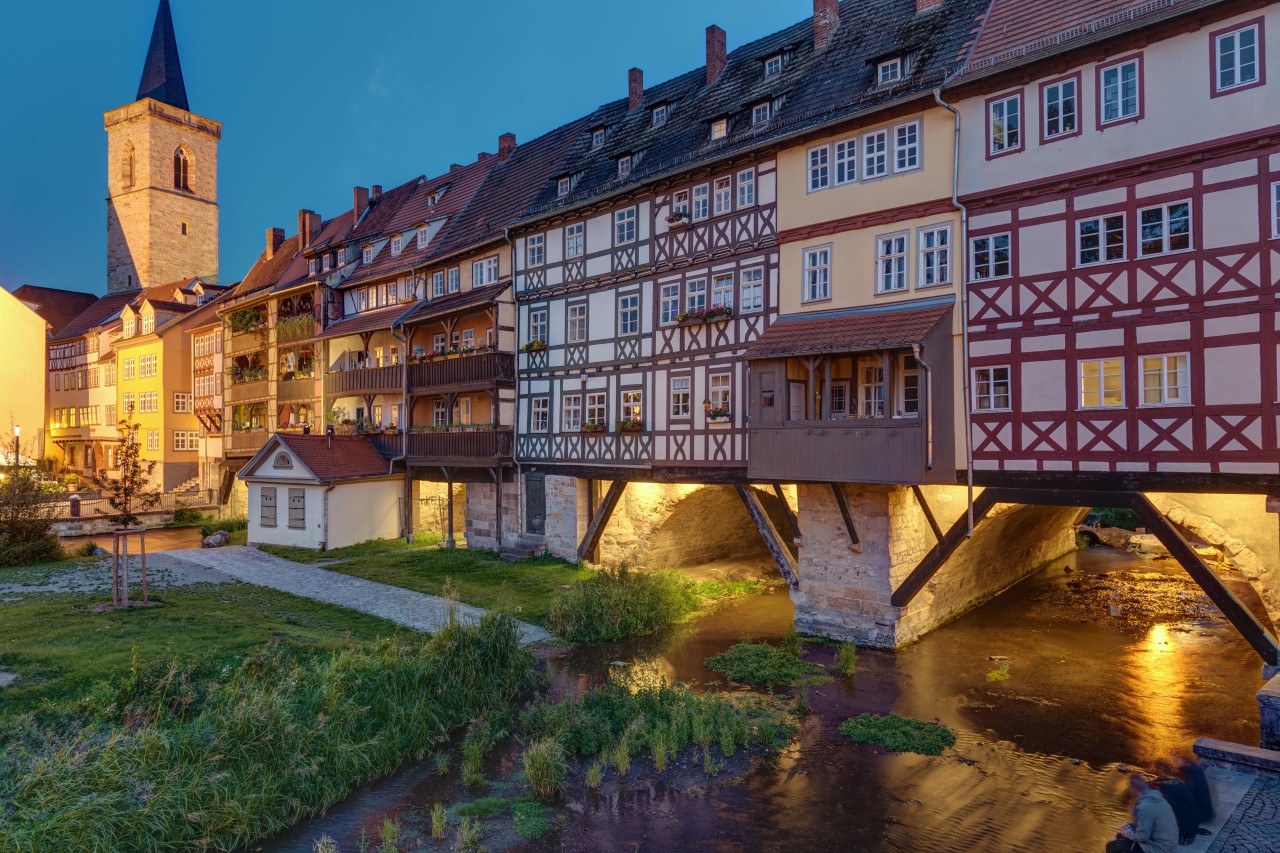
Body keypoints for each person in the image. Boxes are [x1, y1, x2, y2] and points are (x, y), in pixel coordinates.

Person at [1105, 775, 1179, 853]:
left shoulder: (1145, 807)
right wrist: (1137, 814)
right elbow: (1152, 817)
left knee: (1111, 846)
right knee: (1127, 829)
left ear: (1134, 789)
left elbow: (1141, 837)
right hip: (1170, 843)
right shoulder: (1159, 798)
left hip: (1159, 849)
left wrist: (1127, 834)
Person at [1173, 755, 1214, 825]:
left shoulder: (1193, 775)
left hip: (1201, 815)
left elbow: (1187, 795)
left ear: (1181, 761)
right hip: (1206, 812)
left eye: (1175, 761)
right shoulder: (1194, 769)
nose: (1174, 764)